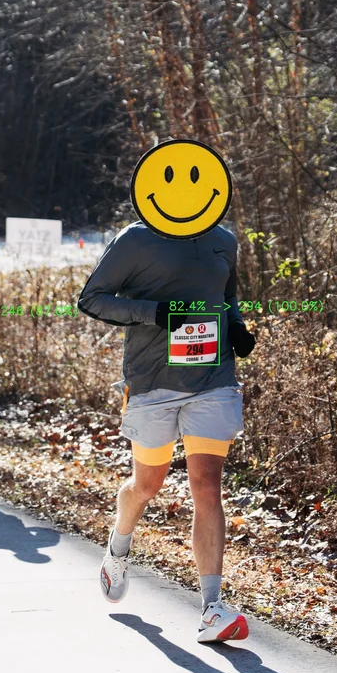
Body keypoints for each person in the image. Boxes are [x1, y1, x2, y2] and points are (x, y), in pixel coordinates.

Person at [78, 222, 257, 643]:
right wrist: (153, 312)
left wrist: (236, 326)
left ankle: (212, 607)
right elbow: (92, 299)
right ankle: (119, 545)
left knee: (207, 484)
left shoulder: (223, 240)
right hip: (151, 382)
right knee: (147, 485)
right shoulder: (136, 239)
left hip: (213, 379)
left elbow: (226, 296)